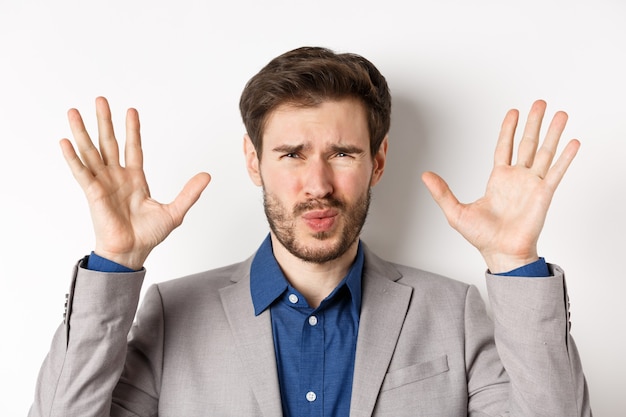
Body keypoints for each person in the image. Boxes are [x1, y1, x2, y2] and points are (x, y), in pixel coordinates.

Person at [29, 46, 591, 417]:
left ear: (377, 160)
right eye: (292, 153)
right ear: (254, 162)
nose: (317, 184)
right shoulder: (172, 314)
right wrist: (114, 261)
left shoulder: (455, 314)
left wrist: (516, 261)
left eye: (342, 152)